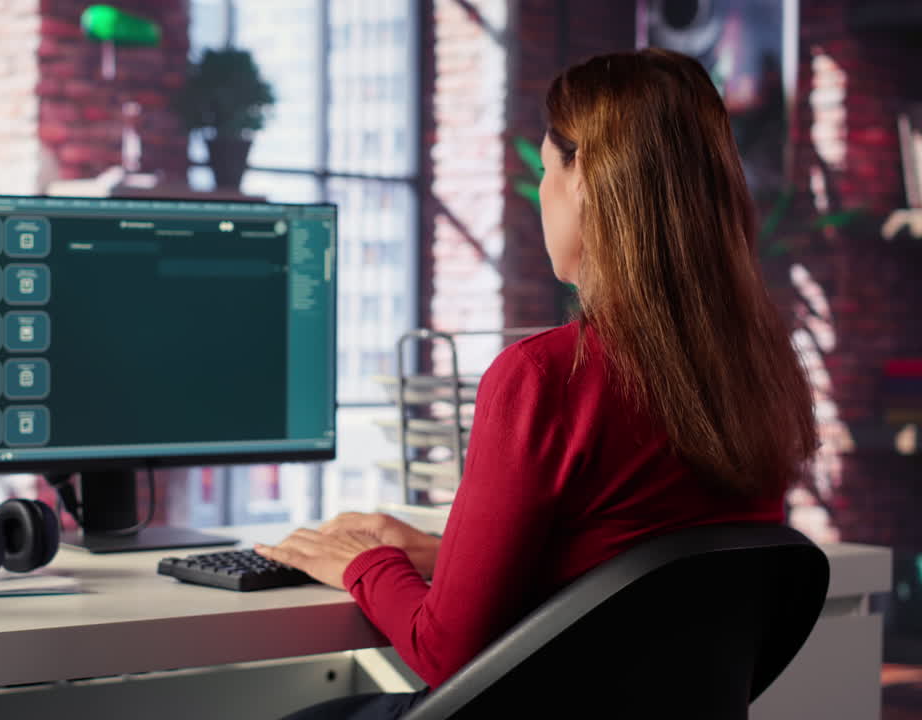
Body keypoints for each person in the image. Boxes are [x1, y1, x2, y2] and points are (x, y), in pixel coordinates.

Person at [255, 47, 818, 720]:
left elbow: (445, 651)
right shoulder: (761, 371)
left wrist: (363, 564)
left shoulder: (546, 377)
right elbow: (630, 573)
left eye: (547, 168)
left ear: (585, 180)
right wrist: (445, 558)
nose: (541, 195)